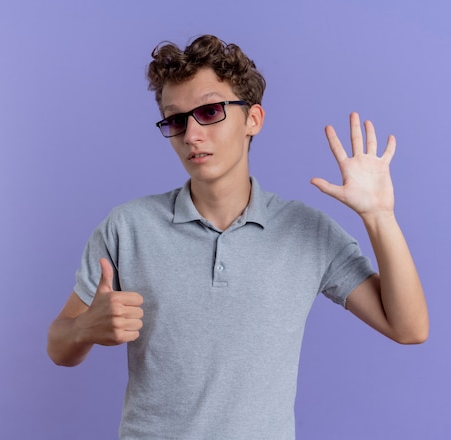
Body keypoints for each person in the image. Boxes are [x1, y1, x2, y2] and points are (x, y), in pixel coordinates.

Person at [47, 35, 428, 439]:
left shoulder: (306, 230)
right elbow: (59, 346)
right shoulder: (128, 227)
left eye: (209, 111)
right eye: (176, 120)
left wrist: (379, 216)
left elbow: (409, 328)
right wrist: (86, 328)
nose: (191, 135)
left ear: (253, 119)